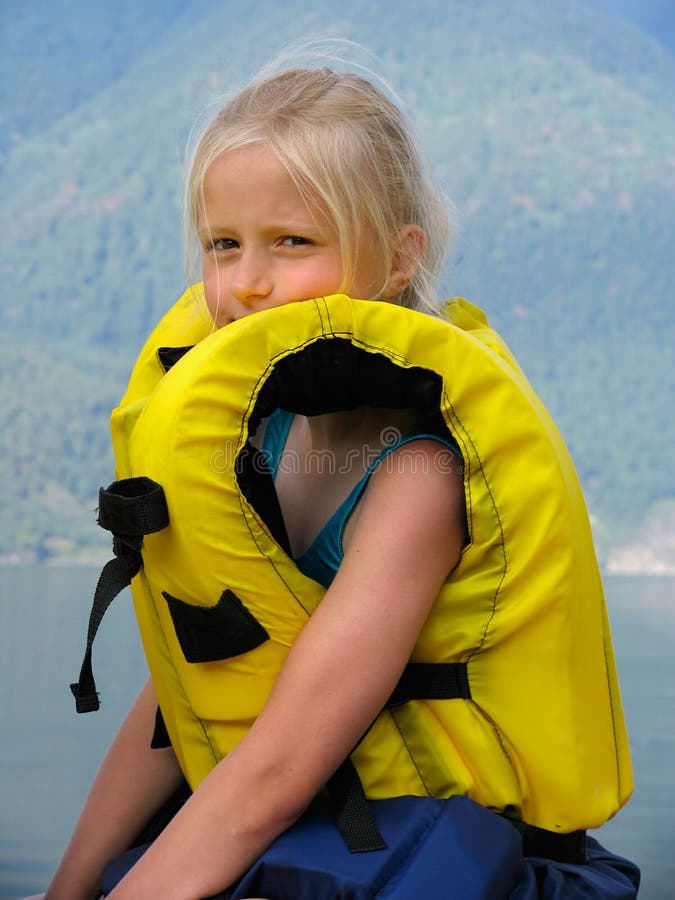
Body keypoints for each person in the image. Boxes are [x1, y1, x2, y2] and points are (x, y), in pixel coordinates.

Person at [26, 65, 639, 900]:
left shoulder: (419, 475)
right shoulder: (256, 445)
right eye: (222, 244)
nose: (245, 281)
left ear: (396, 260)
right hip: (314, 840)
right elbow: (184, 701)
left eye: (292, 242)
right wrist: (67, 890)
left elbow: (278, 770)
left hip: (443, 857)